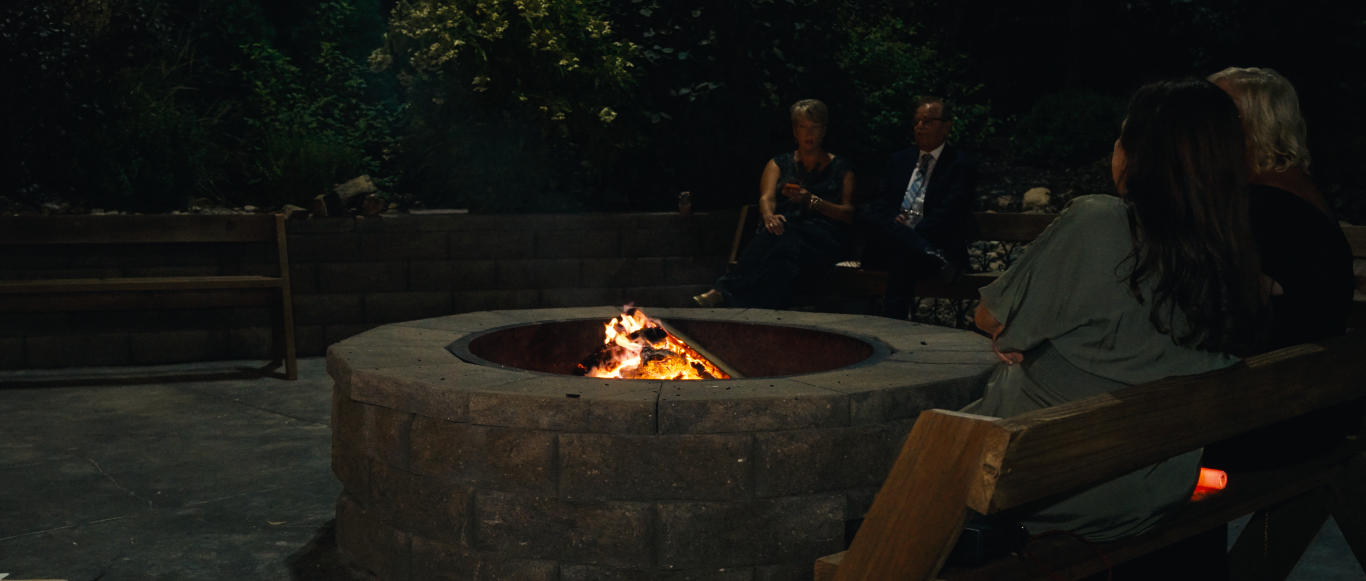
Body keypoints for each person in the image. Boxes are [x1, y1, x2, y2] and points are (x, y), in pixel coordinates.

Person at [968, 78, 1271, 545]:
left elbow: (991, 320)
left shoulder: (1101, 224)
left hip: (1042, 488)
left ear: (1137, 151)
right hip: (1148, 494)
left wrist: (1021, 332)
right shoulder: (1233, 257)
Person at [693, 99, 856, 309]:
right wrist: (769, 216)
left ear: (823, 131)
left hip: (825, 238)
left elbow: (848, 213)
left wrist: (812, 201)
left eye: (814, 128)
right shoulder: (779, 163)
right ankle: (773, 321)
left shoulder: (842, 168)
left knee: (782, 237)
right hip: (782, 236)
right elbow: (766, 197)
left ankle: (722, 290)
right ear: (795, 131)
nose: (808, 133)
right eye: (803, 127)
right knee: (780, 262)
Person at [858, 95, 978, 320]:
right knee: (867, 216)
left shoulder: (961, 165)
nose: (920, 127)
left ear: (947, 127)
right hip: (927, 254)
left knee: (902, 253)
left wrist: (911, 231)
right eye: (917, 121)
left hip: (932, 241)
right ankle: (927, 252)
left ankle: (893, 324)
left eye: (928, 121)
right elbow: (882, 202)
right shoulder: (899, 160)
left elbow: (951, 211)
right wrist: (896, 219)